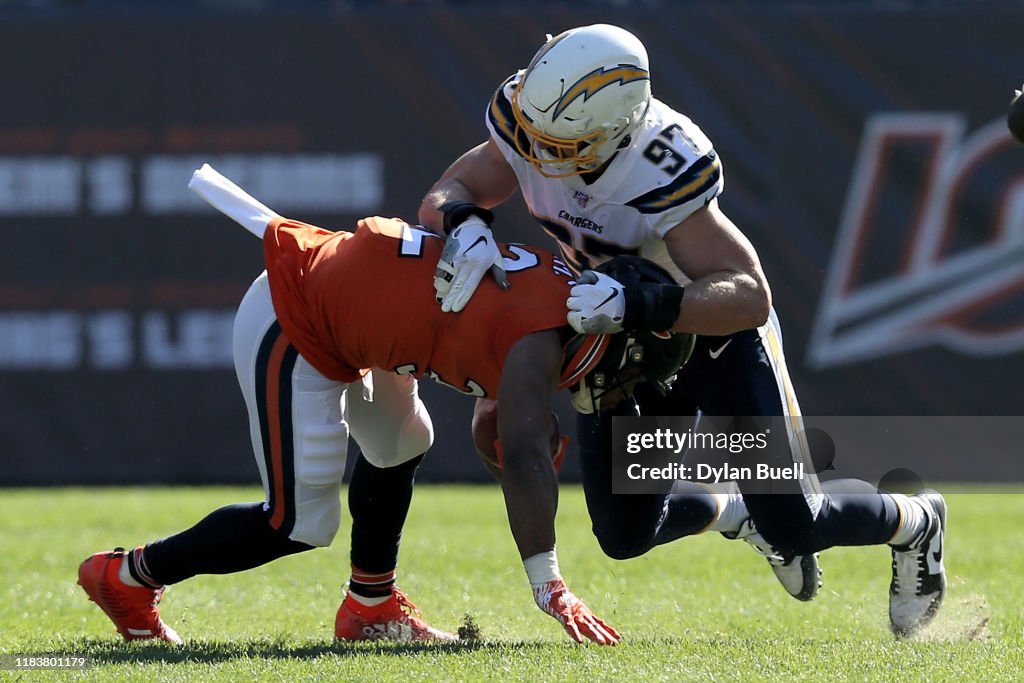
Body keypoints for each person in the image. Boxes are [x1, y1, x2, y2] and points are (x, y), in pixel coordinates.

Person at [419, 24, 946, 637]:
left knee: (798, 524)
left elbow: (747, 295)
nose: (538, 157)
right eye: (533, 139)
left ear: (618, 130)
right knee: (624, 534)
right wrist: (463, 222)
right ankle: (734, 509)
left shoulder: (660, 161)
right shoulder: (527, 115)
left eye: (561, 146)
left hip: (711, 337)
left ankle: (916, 521)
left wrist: (638, 306)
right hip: (615, 337)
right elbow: (454, 188)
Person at [76, 165, 690, 646]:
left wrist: (510, 433)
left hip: (356, 317)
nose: (625, 392)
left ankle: (371, 605)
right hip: (299, 320)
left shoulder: (555, 304)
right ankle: (128, 576)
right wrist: (549, 584)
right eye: (635, 375)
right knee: (296, 522)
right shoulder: (542, 340)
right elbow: (523, 452)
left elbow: (495, 418)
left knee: (404, 440)